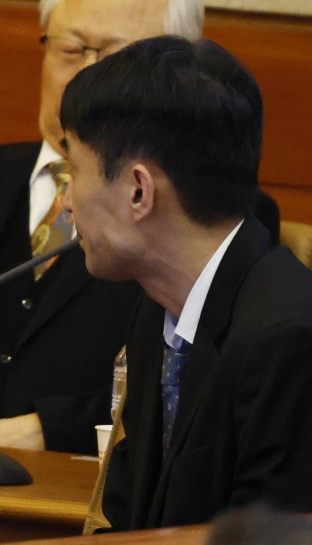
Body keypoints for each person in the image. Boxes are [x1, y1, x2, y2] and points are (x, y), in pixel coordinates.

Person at [0, 0, 279, 455]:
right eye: (71, 49)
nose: (83, 78)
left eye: (113, 58)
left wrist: (54, 429)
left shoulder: (209, 211)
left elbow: (195, 380)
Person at [63, 36, 312, 528]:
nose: (67, 201)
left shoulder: (287, 339)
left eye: (73, 169)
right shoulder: (158, 308)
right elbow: (127, 518)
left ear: (139, 190)